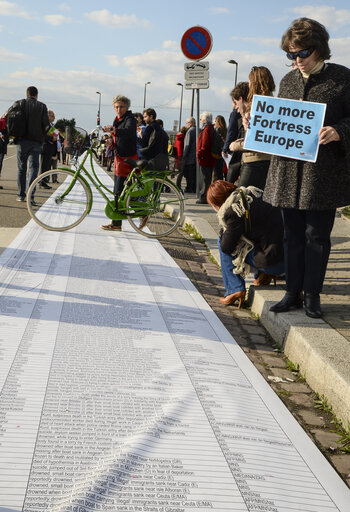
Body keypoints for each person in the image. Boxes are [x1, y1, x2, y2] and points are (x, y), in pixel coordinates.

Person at [264, 17, 350, 319]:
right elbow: (278, 122)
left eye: (302, 53)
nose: (297, 60)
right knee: (292, 236)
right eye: (291, 54)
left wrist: (340, 130)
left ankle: (312, 294)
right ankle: (292, 292)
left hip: (321, 176)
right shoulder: (287, 81)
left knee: (317, 236)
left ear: (320, 49)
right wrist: (256, 126)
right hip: (287, 173)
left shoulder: (342, 78)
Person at [207, 180, 284, 307]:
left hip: (274, 263)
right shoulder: (252, 194)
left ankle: (234, 288)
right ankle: (263, 275)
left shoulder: (234, 211)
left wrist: (224, 228)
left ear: (218, 203)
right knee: (256, 236)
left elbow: (226, 247)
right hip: (290, 260)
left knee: (222, 241)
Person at [230, 68, 275, 190]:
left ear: (256, 83)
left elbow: (257, 141)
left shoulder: (259, 106)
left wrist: (236, 145)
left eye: (250, 82)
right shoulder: (274, 104)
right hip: (266, 161)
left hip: (255, 161)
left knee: (242, 200)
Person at [101, 94, 138, 231]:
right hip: (120, 158)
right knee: (118, 193)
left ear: (127, 107)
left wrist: (113, 130)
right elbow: (118, 137)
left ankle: (120, 222)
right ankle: (116, 223)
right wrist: (111, 141)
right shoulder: (117, 119)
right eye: (116, 107)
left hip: (128, 159)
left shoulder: (130, 119)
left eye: (121, 106)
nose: (118, 109)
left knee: (121, 192)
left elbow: (128, 132)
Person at [10, 86, 50, 204]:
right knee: (34, 168)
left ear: (27, 94)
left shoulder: (19, 103)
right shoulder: (42, 106)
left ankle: (21, 195)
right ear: (36, 95)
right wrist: (49, 135)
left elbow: (8, 117)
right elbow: (47, 125)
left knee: (22, 168)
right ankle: (30, 196)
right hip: (36, 143)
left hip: (22, 141)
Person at [196, 111, 215, 204]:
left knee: (205, 179)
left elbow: (205, 144)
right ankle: (205, 196)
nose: (200, 121)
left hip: (205, 158)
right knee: (206, 178)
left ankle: (204, 197)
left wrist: (199, 154)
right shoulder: (210, 128)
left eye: (200, 119)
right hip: (208, 158)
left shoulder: (207, 129)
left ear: (204, 120)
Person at [39, 109, 57, 189]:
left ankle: (44, 181)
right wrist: (51, 138)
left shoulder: (51, 125)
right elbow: (43, 136)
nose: (54, 118)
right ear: (48, 116)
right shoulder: (45, 125)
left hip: (50, 148)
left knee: (47, 166)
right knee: (44, 166)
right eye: (53, 116)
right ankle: (42, 182)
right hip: (46, 147)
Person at [181, 116, 197, 193]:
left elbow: (186, 146)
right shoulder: (199, 130)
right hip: (197, 158)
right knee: (195, 176)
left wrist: (184, 157)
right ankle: (194, 189)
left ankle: (189, 189)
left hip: (190, 158)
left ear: (190, 123)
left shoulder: (190, 132)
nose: (186, 124)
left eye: (187, 123)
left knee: (189, 176)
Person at [213, 115, 227, 181]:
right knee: (220, 173)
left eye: (215, 121)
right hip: (223, 155)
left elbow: (217, 142)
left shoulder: (217, 130)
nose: (214, 123)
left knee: (216, 174)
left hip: (216, 154)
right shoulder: (225, 130)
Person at [0, 116, 9, 190]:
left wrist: (4, 136)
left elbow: (8, 139)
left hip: (2, 150)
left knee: (0, 166)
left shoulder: (5, 128)